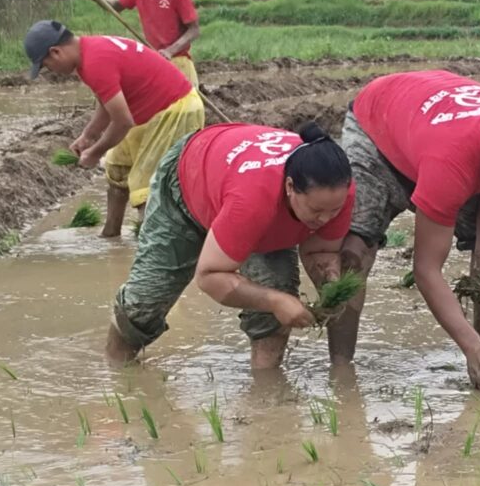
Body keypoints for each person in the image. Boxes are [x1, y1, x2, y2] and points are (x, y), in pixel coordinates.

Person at [327, 70, 480, 391]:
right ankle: (341, 371)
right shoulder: (452, 161)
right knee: (354, 252)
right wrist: (468, 345)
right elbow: (425, 270)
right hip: (378, 128)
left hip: (428, 123)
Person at [105, 122, 355, 372]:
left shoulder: (337, 190)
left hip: (246, 196)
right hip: (188, 181)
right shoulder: (252, 202)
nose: (324, 220)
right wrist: (277, 302)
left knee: (277, 288)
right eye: (316, 211)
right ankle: (116, 371)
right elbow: (209, 276)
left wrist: (330, 283)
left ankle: (265, 390)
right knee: (147, 300)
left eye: (334, 211)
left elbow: (321, 251)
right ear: (290, 187)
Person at [25, 20, 205, 236]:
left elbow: (122, 122)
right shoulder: (88, 53)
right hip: (148, 111)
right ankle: (111, 236)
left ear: (55, 52)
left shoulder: (94, 62)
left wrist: (95, 152)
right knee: (117, 166)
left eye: (46, 65)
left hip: (175, 109)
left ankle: (153, 250)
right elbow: (108, 102)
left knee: (145, 184)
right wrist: (88, 136)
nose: (50, 71)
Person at [91, 0, 201, 87]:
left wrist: (170, 51)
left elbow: (194, 30)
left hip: (178, 58)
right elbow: (117, 5)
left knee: (188, 105)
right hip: (154, 57)